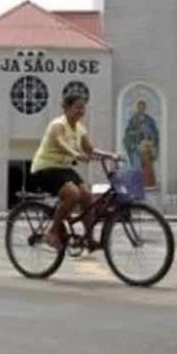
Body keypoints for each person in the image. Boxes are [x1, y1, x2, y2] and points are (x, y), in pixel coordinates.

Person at [30, 93, 117, 251]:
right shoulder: (58, 124)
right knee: (73, 194)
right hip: (45, 168)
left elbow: (90, 149)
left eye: (83, 108)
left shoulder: (79, 128)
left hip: (63, 169)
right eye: (78, 107)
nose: (81, 111)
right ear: (67, 108)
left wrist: (110, 155)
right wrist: (75, 154)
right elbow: (60, 142)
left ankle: (89, 240)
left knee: (87, 196)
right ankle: (53, 232)